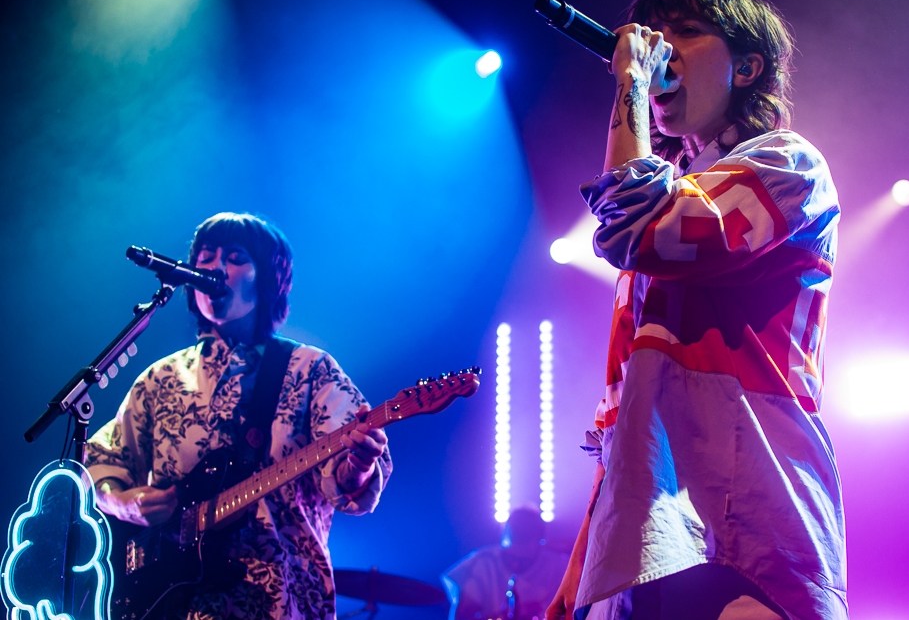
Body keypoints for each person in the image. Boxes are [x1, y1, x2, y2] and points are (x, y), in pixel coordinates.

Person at [545, 0, 847, 620]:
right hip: (653, 531)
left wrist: (627, 79)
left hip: (751, 522)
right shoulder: (665, 219)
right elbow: (626, 415)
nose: (656, 52)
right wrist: (576, 581)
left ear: (747, 67)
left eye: (681, 31)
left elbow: (635, 223)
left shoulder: (788, 165)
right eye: (649, 33)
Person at [86, 212, 392, 620]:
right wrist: (128, 504)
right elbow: (99, 462)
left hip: (282, 602)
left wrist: (358, 465)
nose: (214, 267)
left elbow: (348, 486)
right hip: (171, 606)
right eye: (206, 256)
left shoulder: (310, 370)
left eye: (234, 257)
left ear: (266, 277)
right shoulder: (160, 380)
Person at [443, 507, 570, 620]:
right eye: (511, 558)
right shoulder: (482, 562)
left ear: (539, 544)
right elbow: (463, 612)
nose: (515, 565)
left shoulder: (561, 567)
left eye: (523, 561)